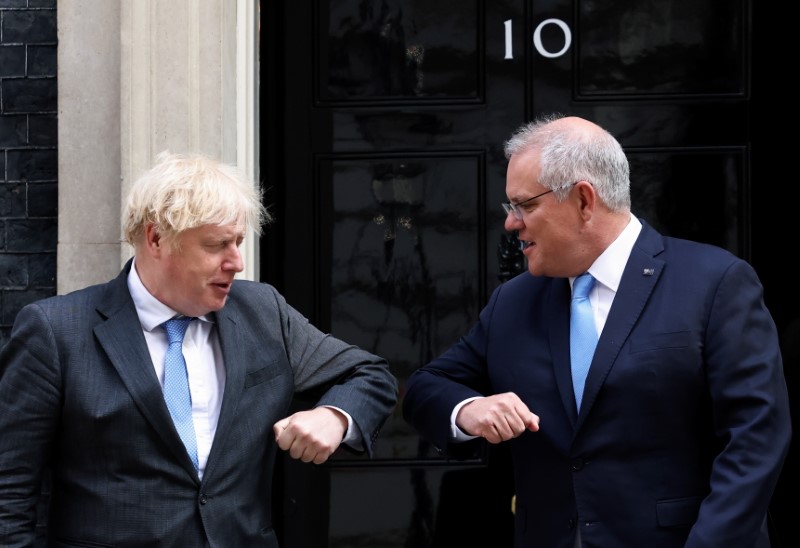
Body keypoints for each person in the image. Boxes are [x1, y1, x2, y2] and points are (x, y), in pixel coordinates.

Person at [402, 114, 791, 547]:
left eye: (525, 205)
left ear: (584, 201)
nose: (512, 223)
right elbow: (426, 386)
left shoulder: (714, 282)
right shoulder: (514, 302)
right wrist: (467, 409)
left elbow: (755, 439)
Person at [0, 151, 398, 546]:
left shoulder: (262, 311)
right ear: (156, 238)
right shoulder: (57, 331)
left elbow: (369, 374)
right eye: (217, 245)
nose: (237, 262)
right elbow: (9, 489)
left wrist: (334, 416)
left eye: (239, 242)